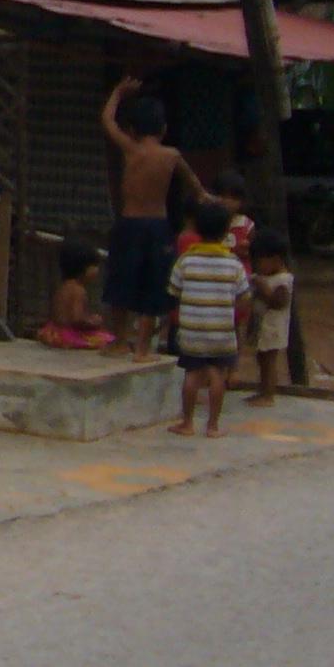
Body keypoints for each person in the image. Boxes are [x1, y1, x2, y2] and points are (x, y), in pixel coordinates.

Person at [101, 76, 195, 362]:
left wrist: (117, 92)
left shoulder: (130, 149)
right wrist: (206, 197)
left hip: (129, 224)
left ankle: (120, 341)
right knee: (153, 286)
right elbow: (194, 184)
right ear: (164, 128)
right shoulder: (172, 155)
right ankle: (142, 349)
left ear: (131, 130)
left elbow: (107, 121)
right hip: (157, 225)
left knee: (121, 282)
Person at [168, 197, 250, 436]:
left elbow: (174, 291)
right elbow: (244, 296)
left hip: (192, 329)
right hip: (222, 330)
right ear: (225, 231)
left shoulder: (186, 260)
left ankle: (187, 423)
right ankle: (213, 426)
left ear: (196, 227)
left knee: (192, 374)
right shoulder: (233, 263)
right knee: (217, 375)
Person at [245, 224, 295, 403]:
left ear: (275, 259)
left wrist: (263, 287)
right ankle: (263, 390)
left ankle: (268, 395)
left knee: (269, 361)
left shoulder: (283, 280)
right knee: (261, 359)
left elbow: (279, 302)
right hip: (262, 326)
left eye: (259, 262)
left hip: (273, 327)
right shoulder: (266, 277)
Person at [37, 242, 116, 349]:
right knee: (108, 338)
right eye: (94, 266)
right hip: (68, 334)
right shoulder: (79, 290)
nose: (97, 270)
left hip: (53, 331)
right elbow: (76, 319)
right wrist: (93, 321)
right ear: (82, 268)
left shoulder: (63, 286)